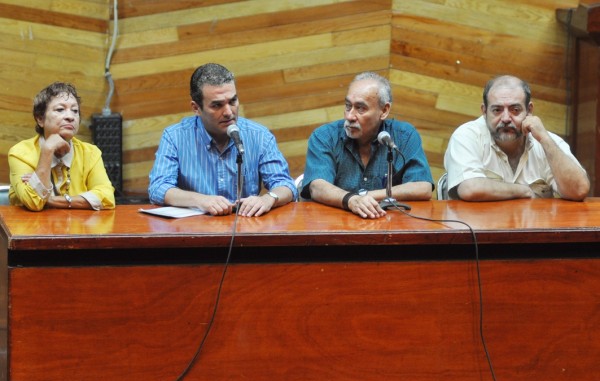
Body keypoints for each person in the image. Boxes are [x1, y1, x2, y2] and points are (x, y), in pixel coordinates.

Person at [148, 63, 296, 217]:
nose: (228, 112)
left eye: (232, 101)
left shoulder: (259, 135)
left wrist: (268, 199)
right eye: (217, 105)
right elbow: (158, 188)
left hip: (245, 228)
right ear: (196, 108)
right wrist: (201, 200)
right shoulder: (175, 137)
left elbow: (285, 185)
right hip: (194, 230)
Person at [301, 71, 433, 219]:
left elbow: (423, 186)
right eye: (347, 106)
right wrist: (351, 200)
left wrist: (367, 196)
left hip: (390, 225)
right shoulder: (325, 136)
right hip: (336, 224)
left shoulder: (404, 135)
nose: (350, 116)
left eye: (360, 108)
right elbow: (317, 186)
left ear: (384, 111)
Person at [444, 75, 590, 201]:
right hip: (478, 230)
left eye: (515, 110)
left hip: (533, 229)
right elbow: (470, 188)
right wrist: (524, 191)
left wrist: (545, 139)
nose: (506, 118)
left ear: (529, 110)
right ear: (484, 111)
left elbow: (579, 190)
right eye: (497, 110)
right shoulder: (466, 136)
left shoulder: (547, 141)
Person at [8, 82, 115, 211]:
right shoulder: (20, 153)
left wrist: (50, 199)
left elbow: (107, 198)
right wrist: (47, 150)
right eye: (60, 109)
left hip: (79, 228)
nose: (70, 117)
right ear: (40, 119)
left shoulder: (91, 152)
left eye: (75, 111)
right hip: (32, 229)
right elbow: (34, 202)